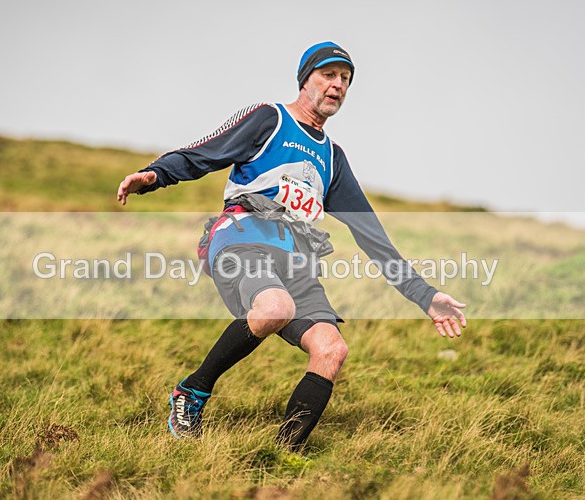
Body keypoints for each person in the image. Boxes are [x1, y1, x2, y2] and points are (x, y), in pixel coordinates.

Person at [117, 41, 467, 451]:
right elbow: (206, 153)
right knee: (274, 309)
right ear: (306, 80)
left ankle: (283, 455)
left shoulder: (332, 158)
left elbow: (372, 235)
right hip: (243, 240)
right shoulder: (270, 119)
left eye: (346, 80)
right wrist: (156, 174)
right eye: (329, 75)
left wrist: (424, 296)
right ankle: (191, 392)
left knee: (331, 349)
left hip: (296, 263)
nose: (338, 85)